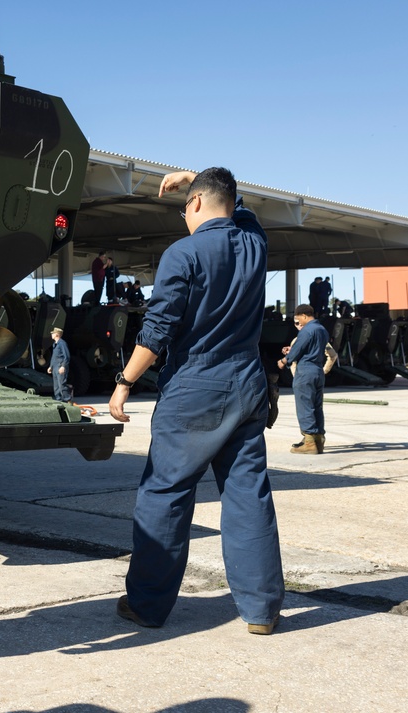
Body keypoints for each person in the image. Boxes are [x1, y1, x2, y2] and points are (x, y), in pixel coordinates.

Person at [108, 167, 284, 635]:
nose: (184, 215)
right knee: (249, 496)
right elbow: (238, 206)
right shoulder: (254, 245)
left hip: (195, 386)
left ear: (198, 204)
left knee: (165, 495)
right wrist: (196, 177)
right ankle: (262, 611)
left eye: (187, 205)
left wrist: (124, 381)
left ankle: (146, 605)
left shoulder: (182, 253)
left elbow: (159, 329)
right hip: (247, 384)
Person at [279, 304, 329, 455]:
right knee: (316, 405)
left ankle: (308, 442)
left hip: (305, 370)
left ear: (305, 315)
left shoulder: (307, 330)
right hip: (318, 370)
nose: (299, 322)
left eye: (298, 318)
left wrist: (284, 360)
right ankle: (318, 440)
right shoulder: (322, 330)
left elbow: (298, 350)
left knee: (305, 405)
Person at [47, 326, 71, 401]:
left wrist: (63, 366)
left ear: (57, 334)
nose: (51, 335)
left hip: (60, 367)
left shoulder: (62, 343)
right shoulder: (55, 344)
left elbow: (67, 356)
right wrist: (50, 366)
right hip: (55, 367)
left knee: (62, 385)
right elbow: (54, 357)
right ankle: (58, 399)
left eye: (53, 333)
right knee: (56, 386)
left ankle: (67, 399)